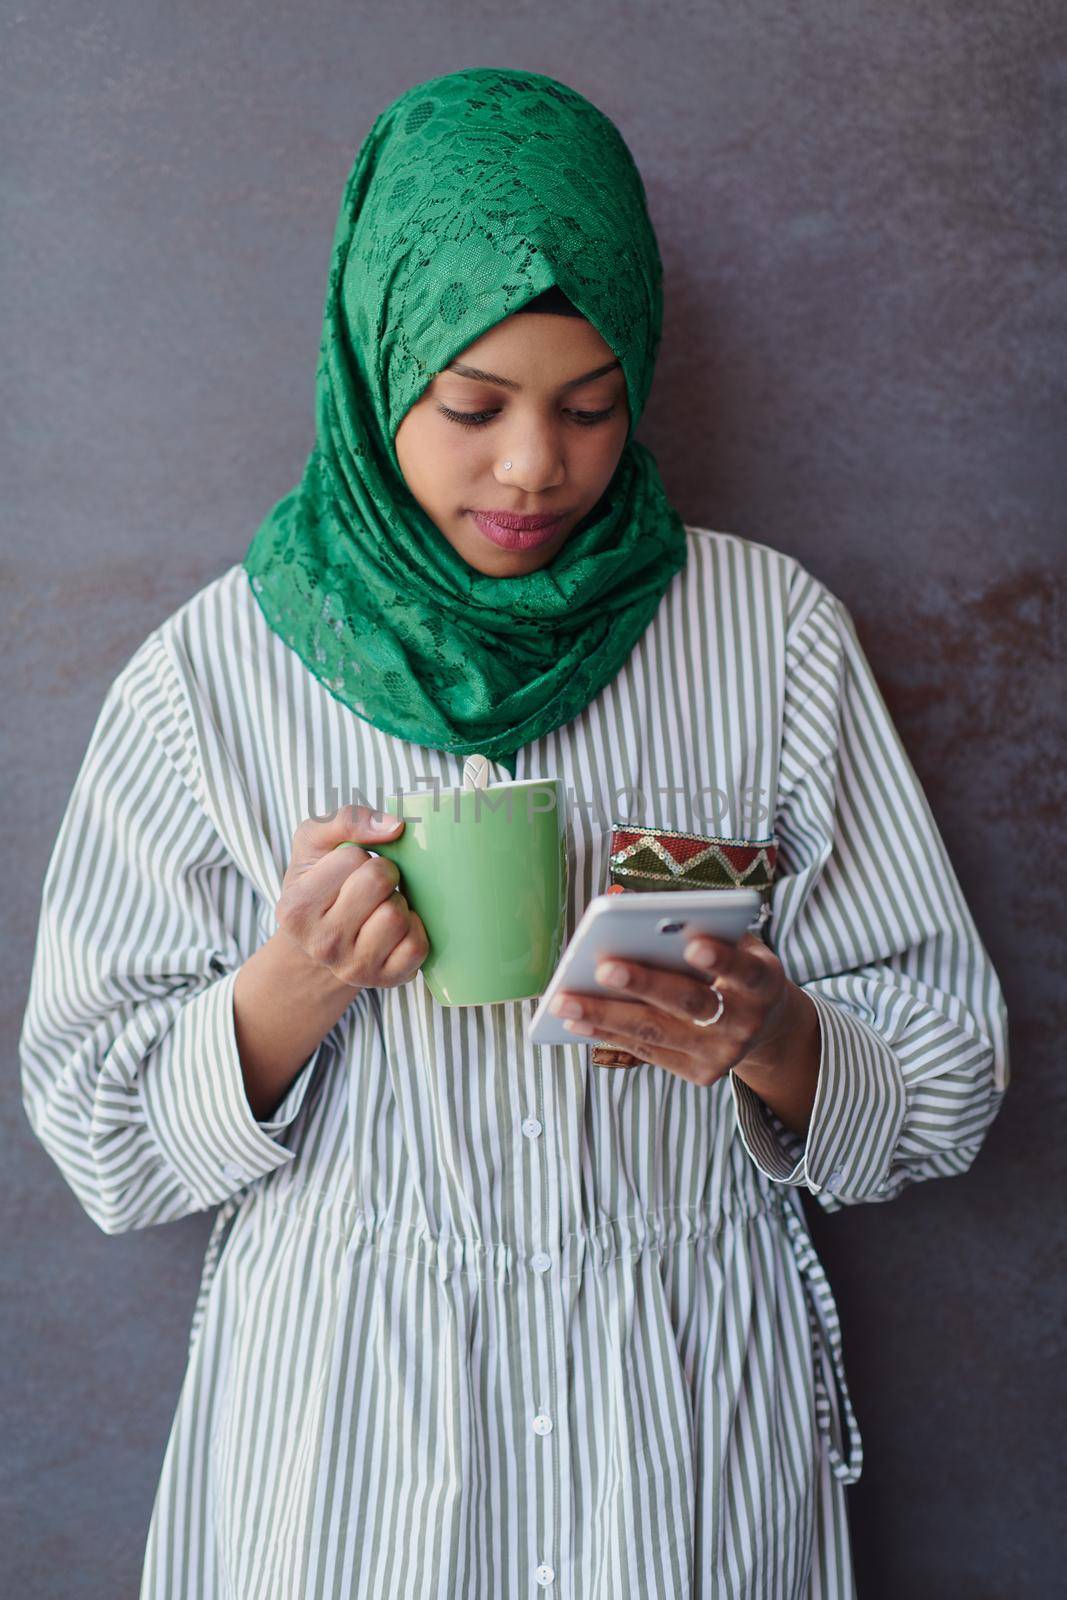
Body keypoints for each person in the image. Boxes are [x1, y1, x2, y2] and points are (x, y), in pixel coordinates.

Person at [19, 65, 1009, 1600]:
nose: (536, 466)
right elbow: (100, 1142)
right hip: (348, 1438)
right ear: (370, 369)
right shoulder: (211, 678)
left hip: (680, 1428)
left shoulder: (775, 637)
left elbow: (948, 1070)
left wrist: (777, 1036)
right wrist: (294, 986)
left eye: (591, 404)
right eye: (470, 407)